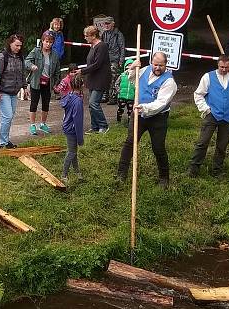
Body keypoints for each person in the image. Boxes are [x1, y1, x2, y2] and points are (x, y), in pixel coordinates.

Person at [116, 52, 177, 188]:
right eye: (155, 64)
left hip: (158, 118)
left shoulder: (169, 82)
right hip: (138, 115)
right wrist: (132, 68)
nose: (157, 68)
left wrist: (143, 108)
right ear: (151, 63)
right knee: (130, 143)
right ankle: (121, 174)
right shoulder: (144, 70)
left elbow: (161, 103)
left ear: (166, 65)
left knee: (158, 147)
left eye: (161, 65)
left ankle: (164, 178)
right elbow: (132, 80)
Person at [188, 55, 229, 178]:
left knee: (222, 145)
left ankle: (217, 170)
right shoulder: (208, 77)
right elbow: (198, 95)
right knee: (202, 142)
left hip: (228, 117)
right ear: (218, 65)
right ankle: (194, 169)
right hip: (212, 115)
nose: (224, 69)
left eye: (226, 67)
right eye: (221, 67)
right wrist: (205, 109)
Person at [0, 34, 26, 149]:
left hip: (14, 92)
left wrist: (24, 87)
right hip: (3, 91)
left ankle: (6, 141)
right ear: (10, 43)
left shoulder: (20, 57)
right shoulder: (2, 57)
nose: (18, 48)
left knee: (9, 117)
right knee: (7, 116)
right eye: (16, 45)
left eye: (20, 46)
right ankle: (2, 143)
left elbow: (22, 73)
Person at [75, 25, 110, 133]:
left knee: (93, 102)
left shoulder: (102, 46)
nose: (85, 38)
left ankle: (104, 125)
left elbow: (97, 64)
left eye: (87, 36)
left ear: (94, 36)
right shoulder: (93, 46)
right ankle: (95, 127)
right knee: (91, 105)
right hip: (92, 79)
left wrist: (83, 71)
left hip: (101, 79)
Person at [25, 31, 61, 135]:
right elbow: (26, 61)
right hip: (36, 81)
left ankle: (43, 124)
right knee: (34, 103)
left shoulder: (55, 55)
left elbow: (57, 71)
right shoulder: (36, 51)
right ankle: (32, 125)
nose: (48, 44)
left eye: (50, 42)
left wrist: (55, 83)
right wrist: (32, 66)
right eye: (46, 41)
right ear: (42, 41)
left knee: (46, 104)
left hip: (48, 83)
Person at [61, 73, 85, 184]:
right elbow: (78, 121)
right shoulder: (78, 101)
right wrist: (80, 138)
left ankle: (77, 172)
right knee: (71, 152)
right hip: (72, 130)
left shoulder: (68, 96)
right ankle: (64, 175)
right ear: (82, 85)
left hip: (66, 126)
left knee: (74, 151)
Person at [100, 17, 125, 104]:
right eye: (105, 23)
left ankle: (113, 97)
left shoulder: (118, 34)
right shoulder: (104, 34)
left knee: (113, 79)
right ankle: (105, 95)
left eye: (108, 23)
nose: (106, 25)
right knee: (104, 77)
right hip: (105, 59)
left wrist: (121, 60)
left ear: (113, 24)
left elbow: (122, 48)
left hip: (115, 59)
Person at [116, 57, 136, 125]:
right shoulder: (122, 76)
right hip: (122, 96)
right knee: (120, 110)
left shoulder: (135, 77)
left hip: (131, 97)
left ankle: (129, 123)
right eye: (127, 68)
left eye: (131, 67)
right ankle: (118, 121)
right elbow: (116, 84)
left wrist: (135, 93)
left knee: (130, 111)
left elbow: (137, 86)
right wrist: (119, 91)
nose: (129, 69)